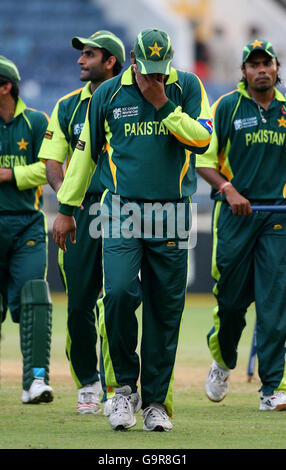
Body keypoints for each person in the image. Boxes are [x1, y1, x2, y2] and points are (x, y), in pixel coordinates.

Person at [52, 28, 213, 431]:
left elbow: (203, 138)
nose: (154, 79)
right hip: (121, 209)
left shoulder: (187, 86)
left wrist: (163, 104)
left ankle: (156, 402)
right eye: (147, 71)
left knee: (165, 309)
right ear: (132, 61)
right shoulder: (107, 95)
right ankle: (124, 389)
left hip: (174, 212)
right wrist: (67, 208)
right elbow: (86, 154)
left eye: (161, 72)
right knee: (120, 293)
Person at [38, 30, 126, 415]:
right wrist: (67, 201)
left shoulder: (129, 102)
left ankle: (116, 387)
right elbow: (52, 160)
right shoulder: (67, 105)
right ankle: (88, 382)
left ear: (110, 61)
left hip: (122, 210)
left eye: (89, 54)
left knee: (117, 301)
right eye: (81, 54)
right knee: (79, 305)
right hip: (82, 211)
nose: (80, 60)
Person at [196, 39, 286, 410]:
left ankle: (271, 389)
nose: (261, 69)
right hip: (235, 217)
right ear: (244, 71)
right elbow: (203, 161)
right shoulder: (226, 107)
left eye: (268, 63)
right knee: (232, 304)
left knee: (274, 304)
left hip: (277, 218)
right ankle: (223, 359)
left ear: (277, 69)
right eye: (254, 64)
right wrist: (229, 189)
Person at [0, 56, 53, 404]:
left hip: (27, 225)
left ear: (5, 86)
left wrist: (11, 175)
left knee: (34, 297)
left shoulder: (36, 121)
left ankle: (35, 381)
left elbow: (50, 168)